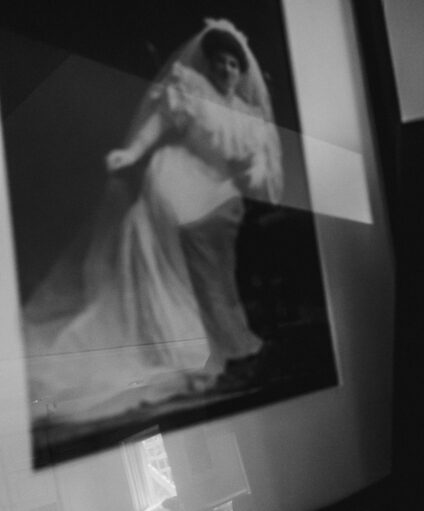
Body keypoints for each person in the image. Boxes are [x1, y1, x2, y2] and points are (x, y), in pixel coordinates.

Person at [24, 19, 282, 419]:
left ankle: (224, 339)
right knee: (170, 241)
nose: (226, 71)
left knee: (217, 264)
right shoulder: (190, 91)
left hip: (220, 193)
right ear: (208, 66)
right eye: (219, 63)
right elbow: (157, 125)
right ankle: (181, 344)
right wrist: (132, 152)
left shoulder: (247, 116)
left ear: (241, 70)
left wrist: (255, 174)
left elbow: (258, 168)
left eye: (233, 64)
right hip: (177, 178)